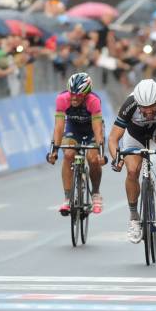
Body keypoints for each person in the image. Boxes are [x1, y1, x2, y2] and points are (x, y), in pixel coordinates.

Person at [108, 79, 156, 243]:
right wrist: (117, 158)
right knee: (132, 171)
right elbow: (113, 138)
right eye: (144, 107)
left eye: (152, 106)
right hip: (134, 134)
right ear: (137, 103)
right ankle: (134, 218)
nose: (149, 111)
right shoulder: (129, 104)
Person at [46, 72, 106, 215]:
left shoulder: (93, 101)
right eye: (71, 93)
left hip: (91, 129)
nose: (73, 97)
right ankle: (67, 198)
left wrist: (101, 154)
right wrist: (54, 150)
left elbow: (97, 129)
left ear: (86, 94)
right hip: (73, 128)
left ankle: (96, 194)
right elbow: (59, 127)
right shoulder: (62, 99)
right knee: (68, 154)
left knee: (93, 158)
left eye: (78, 95)